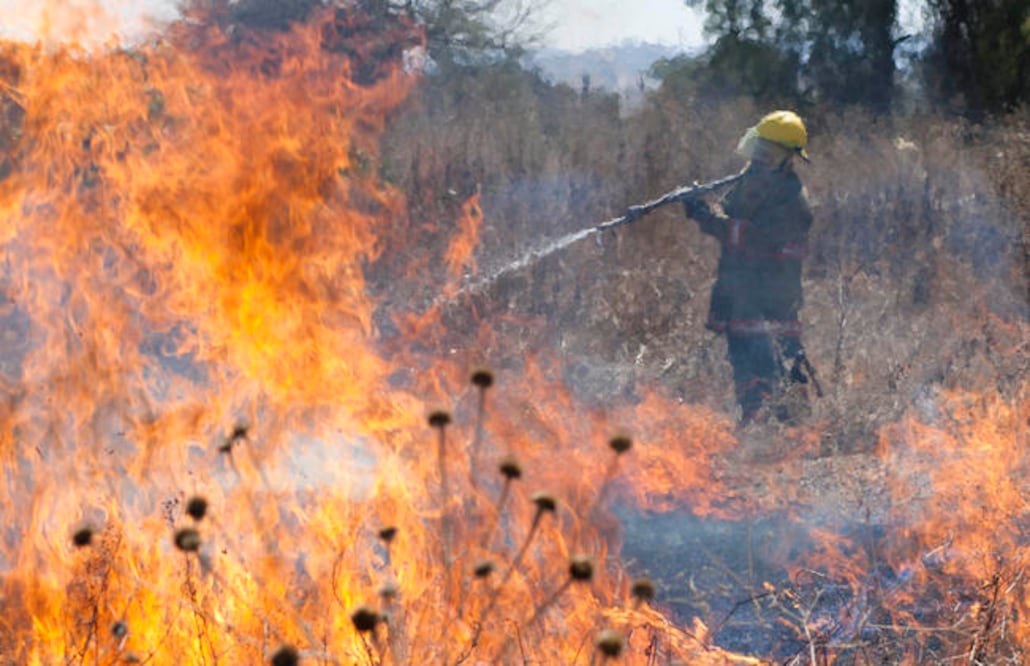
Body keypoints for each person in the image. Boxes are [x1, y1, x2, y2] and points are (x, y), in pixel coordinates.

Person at [682, 110, 814, 424]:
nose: (759, 159)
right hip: (742, 290)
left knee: (776, 361)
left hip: (773, 294)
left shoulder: (792, 199)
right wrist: (703, 206)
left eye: (767, 154)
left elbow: (751, 238)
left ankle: (790, 430)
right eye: (758, 151)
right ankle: (757, 423)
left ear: (787, 158)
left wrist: (706, 217)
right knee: (745, 360)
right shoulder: (751, 182)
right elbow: (728, 217)